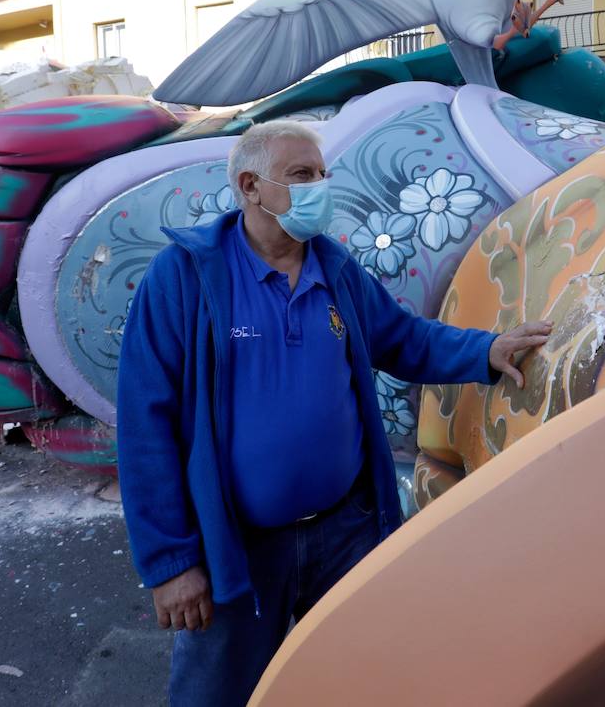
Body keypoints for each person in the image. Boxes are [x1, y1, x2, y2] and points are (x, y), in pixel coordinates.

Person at [117, 121, 551, 706]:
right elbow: (146, 423)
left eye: (323, 174)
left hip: (343, 533)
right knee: (215, 695)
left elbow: (402, 339)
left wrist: (485, 351)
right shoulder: (186, 277)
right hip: (237, 547)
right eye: (302, 175)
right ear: (250, 185)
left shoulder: (335, 269)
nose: (320, 186)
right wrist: (171, 561)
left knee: (360, 679)